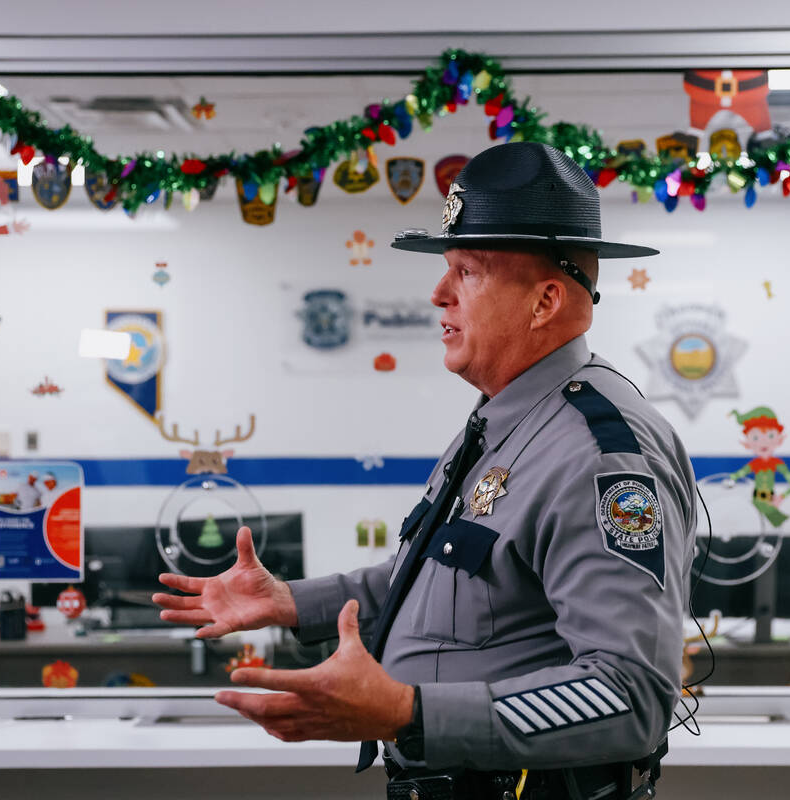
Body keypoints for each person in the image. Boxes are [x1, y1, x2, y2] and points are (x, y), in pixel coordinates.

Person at [154, 142, 697, 799]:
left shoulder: (599, 454)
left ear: (545, 300)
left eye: (465, 272)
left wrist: (412, 713)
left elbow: (630, 695)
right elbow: (425, 585)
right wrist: (290, 602)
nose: (438, 293)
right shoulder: (504, 425)